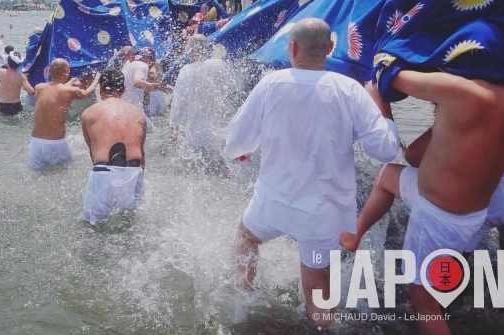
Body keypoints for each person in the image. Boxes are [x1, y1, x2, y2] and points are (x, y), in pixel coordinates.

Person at [224, 18, 400, 326]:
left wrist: (244, 149)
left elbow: (236, 142)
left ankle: (242, 308)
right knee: (319, 293)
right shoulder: (351, 90)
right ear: (331, 48)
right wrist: (384, 110)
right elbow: (385, 150)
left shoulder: (271, 83)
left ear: (292, 47)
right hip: (323, 213)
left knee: (247, 239)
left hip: (273, 203)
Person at [350, 70, 504, 334]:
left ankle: (355, 233)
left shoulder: (457, 91)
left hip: (472, 198)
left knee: (427, 301)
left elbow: (389, 75)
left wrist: (383, 109)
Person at [80, 68, 148, 223]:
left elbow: (93, 152)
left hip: (103, 171)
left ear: (101, 89)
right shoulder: (138, 114)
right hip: (133, 171)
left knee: (91, 225)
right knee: (130, 222)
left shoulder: (89, 113)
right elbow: (142, 154)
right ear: (123, 89)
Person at [169, 34, 240, 162]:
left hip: (197, 128)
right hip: (221, 125)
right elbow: (234, 91)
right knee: (221, 164)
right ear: (206, 49)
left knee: (197, 166)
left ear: (192, 50)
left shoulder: (187, 70)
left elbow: (179, 103)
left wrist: (174, 126)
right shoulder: (221, 64)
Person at [28, 58, 99, 169]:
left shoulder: (38, 88)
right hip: (56, 144)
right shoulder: (69, 91)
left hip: (35, 143)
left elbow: (55, 90)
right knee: (66, 171)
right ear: (66, 72)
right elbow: (86, 93)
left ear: (50, 72)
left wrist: (69, 82)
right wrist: (97, 79)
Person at [121, 47, 171, 115]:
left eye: (148, 57)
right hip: (141, 103)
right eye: (143, 56)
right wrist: (157, 86)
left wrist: (156, 85)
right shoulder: (140, 66)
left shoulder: (153, 67)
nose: (145, 59)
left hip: (150, 101)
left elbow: (150, 78)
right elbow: (138, 83)